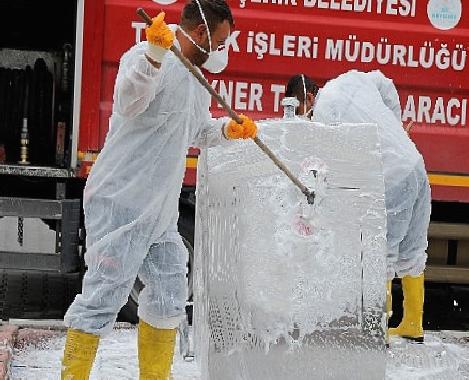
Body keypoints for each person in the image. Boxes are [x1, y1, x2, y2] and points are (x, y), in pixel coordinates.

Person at [61, 1, 257, 378]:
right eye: (220, 42)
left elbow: (196, 130)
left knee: (169, 293)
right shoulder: (147, 58)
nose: (221, 52)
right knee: (103, 295)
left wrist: (227, 131)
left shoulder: (197, 82)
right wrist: (152, 55)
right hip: (122, 200)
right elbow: (129, 101)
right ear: (200, 34)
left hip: (160, 210)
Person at [285, 71, 431, 342]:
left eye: (302, 110)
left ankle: (379, 333)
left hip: (390, 178)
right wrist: (395, 127)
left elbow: (334, 169)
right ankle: (413, 323)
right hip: (415, 164)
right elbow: (387, 84)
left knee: (381, 254)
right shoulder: (351, 79)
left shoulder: (325, 117)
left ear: (308, 98)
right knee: (412, 248)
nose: (306, 117)